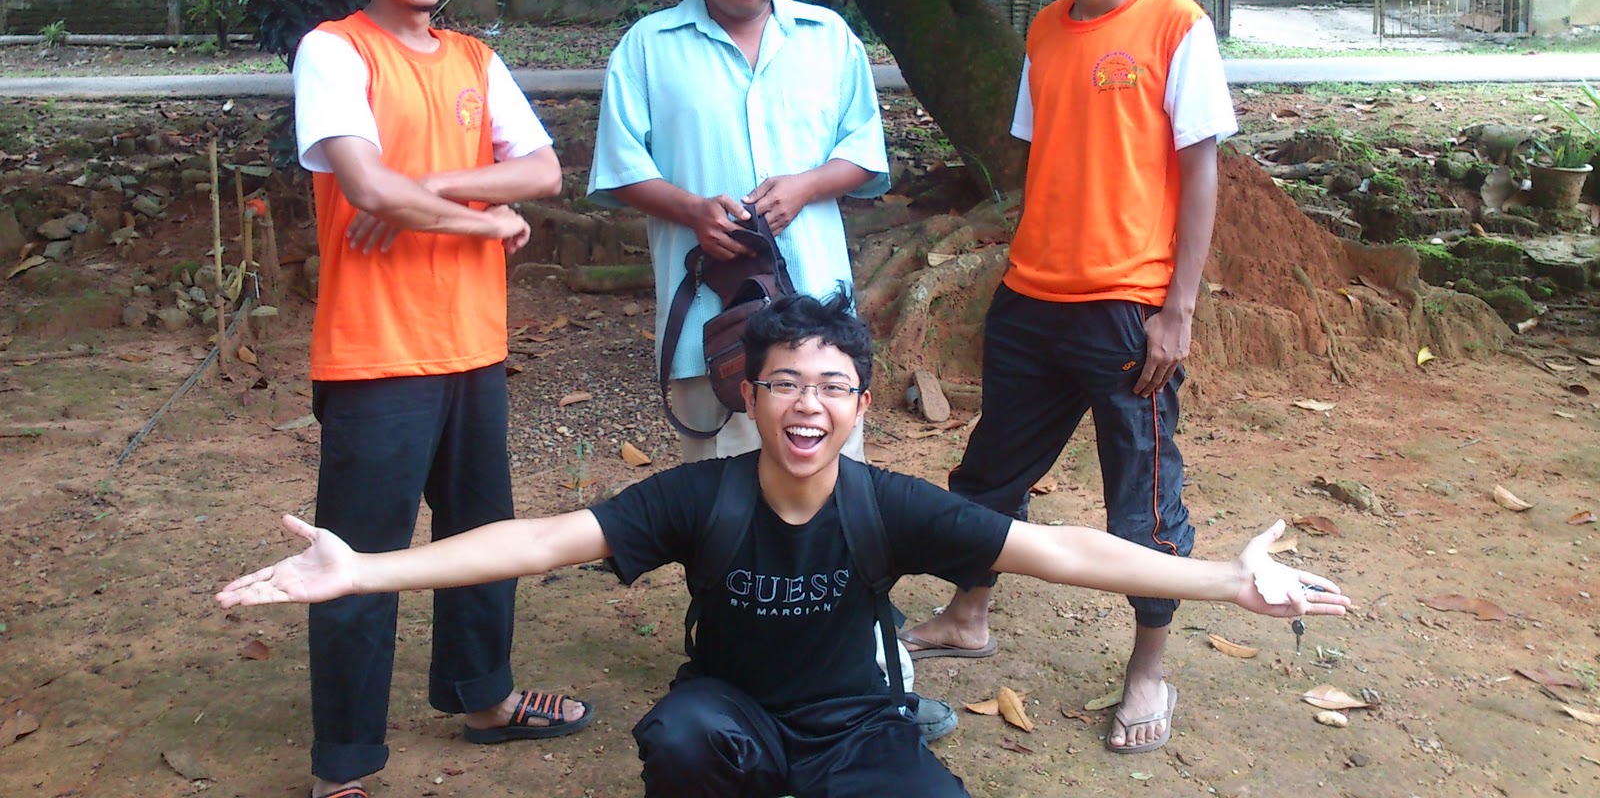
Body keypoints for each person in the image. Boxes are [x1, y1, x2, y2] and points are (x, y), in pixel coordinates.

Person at [217, 291, 1351, 798]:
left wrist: (1224, 579)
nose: (809, 406)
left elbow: (1064, 550)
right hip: (733, 719)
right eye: (785, 384)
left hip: (859, 724)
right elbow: (538, 540)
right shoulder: (698, 498)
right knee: (680, 737)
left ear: (859, 403)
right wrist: (365, 568)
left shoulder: (890, 505)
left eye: (833, 386)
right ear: (750, 398)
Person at [901, 0, 1239, 755]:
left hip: (1127, 310)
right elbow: (1039, 157)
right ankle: (968, 614)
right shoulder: (1045, 30)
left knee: (1144, 505)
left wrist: (1178, 310)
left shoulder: (1177, 25)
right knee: (989, 475)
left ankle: (1149, 670)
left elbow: (1201, 172)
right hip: (1030, 299)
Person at [287, 0, 590, 798]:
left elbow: (541, 170)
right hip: (376, 350)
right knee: (357, 559)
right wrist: (481, 222)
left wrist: (436, 189)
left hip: (473, 345)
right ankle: (344, 766)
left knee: (483, 535)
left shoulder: (473, 61)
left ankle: (483, 695)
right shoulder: (335, 50)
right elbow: (364, 184)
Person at [587, 0, 889, 461]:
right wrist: (693, 211)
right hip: (710, 322)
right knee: (719, 486)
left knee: (828, 479)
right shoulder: (649, 46)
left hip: (818, 313)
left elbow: (864, 153)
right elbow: (621, 167)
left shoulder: (829, 40)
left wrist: (806, 187)